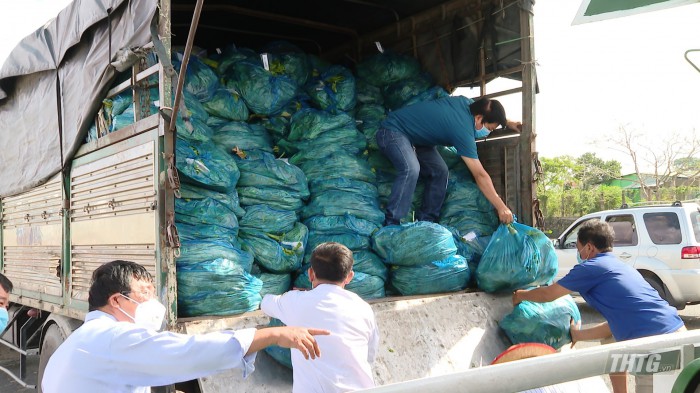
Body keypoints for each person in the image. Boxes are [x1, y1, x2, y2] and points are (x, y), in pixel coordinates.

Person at [41, 260, 329, 393]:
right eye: (145, 292)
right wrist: (273, 334)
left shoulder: (81, 341)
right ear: (117, 300)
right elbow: (188, 352)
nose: (154, 300)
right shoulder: (113, 338)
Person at [512, 220, 686, 393]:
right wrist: (577, 335)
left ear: (589, 248)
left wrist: (520, 295)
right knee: (611, 345)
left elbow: (547, 294)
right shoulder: (620, 267)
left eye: (578, 248)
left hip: (658, 347)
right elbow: (613, 328)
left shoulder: (591, 268)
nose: (578, 253)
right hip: (680, 336)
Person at [377, 96, 521, 226]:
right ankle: (391, 223)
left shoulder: (468, 104)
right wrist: (501, 207)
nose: (488, 132)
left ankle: (427, 221)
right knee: (411, 168)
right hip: (393, 131)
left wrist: (508, 122)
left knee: (440, 171)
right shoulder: (463, 130)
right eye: (489, 128)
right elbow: (480, 175)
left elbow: (488, 110)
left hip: (418, 139)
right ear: (478, 118)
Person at [261, 242, 379, 393]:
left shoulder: (295, 301)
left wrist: (299, 295)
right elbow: (370, 356)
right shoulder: (364, 308)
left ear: (310, 274)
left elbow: (266, 303)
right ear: (349, 277)